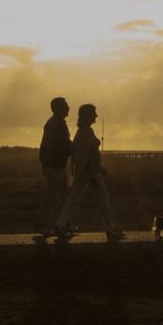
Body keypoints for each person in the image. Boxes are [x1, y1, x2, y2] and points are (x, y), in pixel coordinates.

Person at [53, 103, 124, 242]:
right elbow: (84, 156)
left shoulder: (82, 132)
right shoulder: (86, 132)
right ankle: (111, 229)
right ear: (88, 115)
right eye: (93, 113)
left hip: (86, 172)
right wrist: (93, 171)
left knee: (73, 199)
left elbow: (81, 155)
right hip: (90, 173)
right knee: (103, 201)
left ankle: (60, 225)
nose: (96, 116)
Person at [34, 96, 73, 240]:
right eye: (66, 105)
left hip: (55, 165)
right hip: (55, 166)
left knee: (62, 196)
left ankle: (62, 225)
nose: (68, 108)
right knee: (53, 197)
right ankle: (44, 225)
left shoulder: (54, 123)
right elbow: (64, 144)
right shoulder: (57, 124)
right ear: (58, 108)